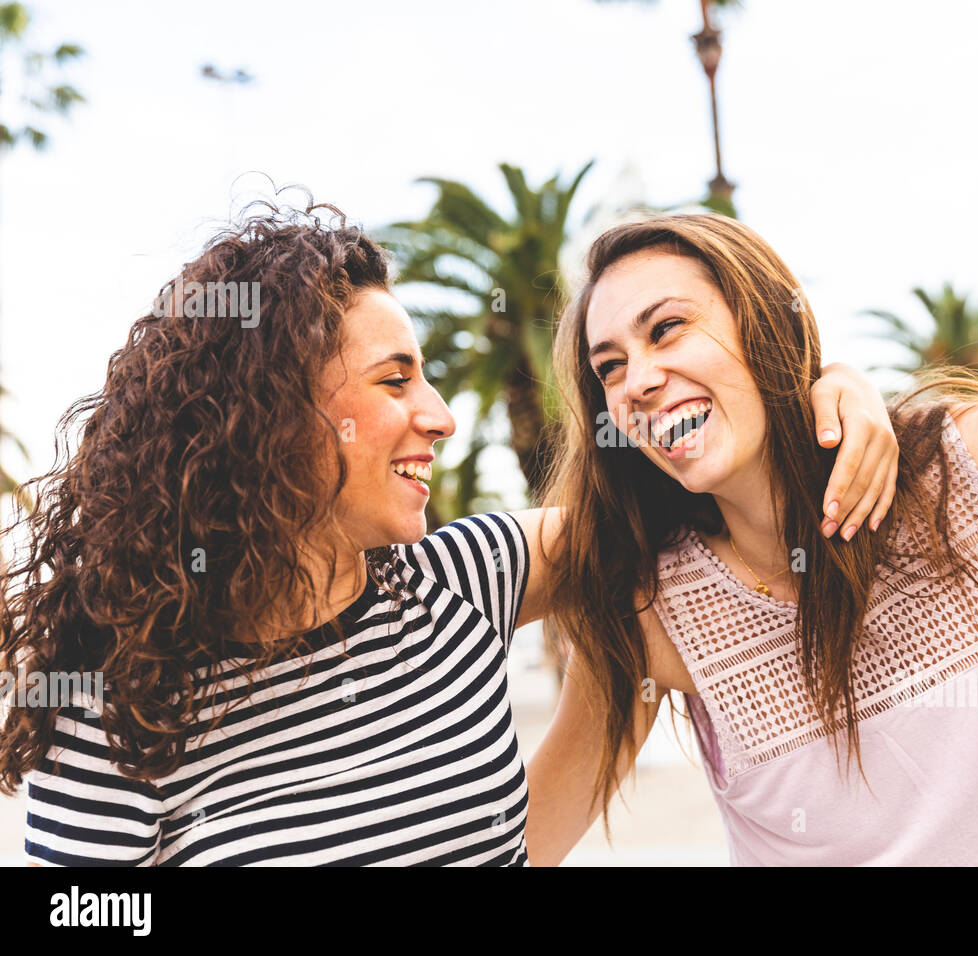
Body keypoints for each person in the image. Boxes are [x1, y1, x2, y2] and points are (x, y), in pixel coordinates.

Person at [0, 201, 896, 866]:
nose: (439, 416)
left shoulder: (465, 579)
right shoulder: (123, 701)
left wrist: (833, 387)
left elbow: (680, 482)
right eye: (395, 381)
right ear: (269, 417)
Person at [527, 213, 978, 866]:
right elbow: (524, 839)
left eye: (666, 329)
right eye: (609, 369)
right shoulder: (649, 604)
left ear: (761, 320)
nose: (637, 382)